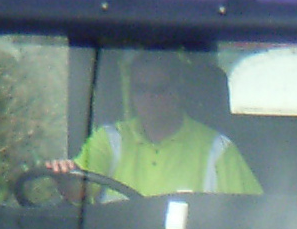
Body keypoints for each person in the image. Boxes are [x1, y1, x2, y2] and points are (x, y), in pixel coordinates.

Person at [46, 51, 262, 196]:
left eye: (159, 90)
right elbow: (79, 190)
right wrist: (64, 177)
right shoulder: (110, 140)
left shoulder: (218, 149)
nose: (149, 98)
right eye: (141, 89)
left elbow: (248, 216)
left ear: (178, 91)